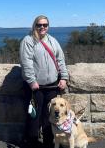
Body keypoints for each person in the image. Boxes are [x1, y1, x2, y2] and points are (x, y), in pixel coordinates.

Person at [20, 15, 69, 148]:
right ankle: (32, 143)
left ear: (48, 26)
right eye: (39, 25)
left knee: (50, 117)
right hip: (35, 87)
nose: (42, 27)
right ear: (34, 25)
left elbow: (60, 60)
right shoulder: (28, 41)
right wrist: (31, 81)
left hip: (52, 86)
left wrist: (64, 77)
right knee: (34, 118)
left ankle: (48, 144)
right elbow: (26, 63)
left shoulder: (52, 41)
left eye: (45, 25)